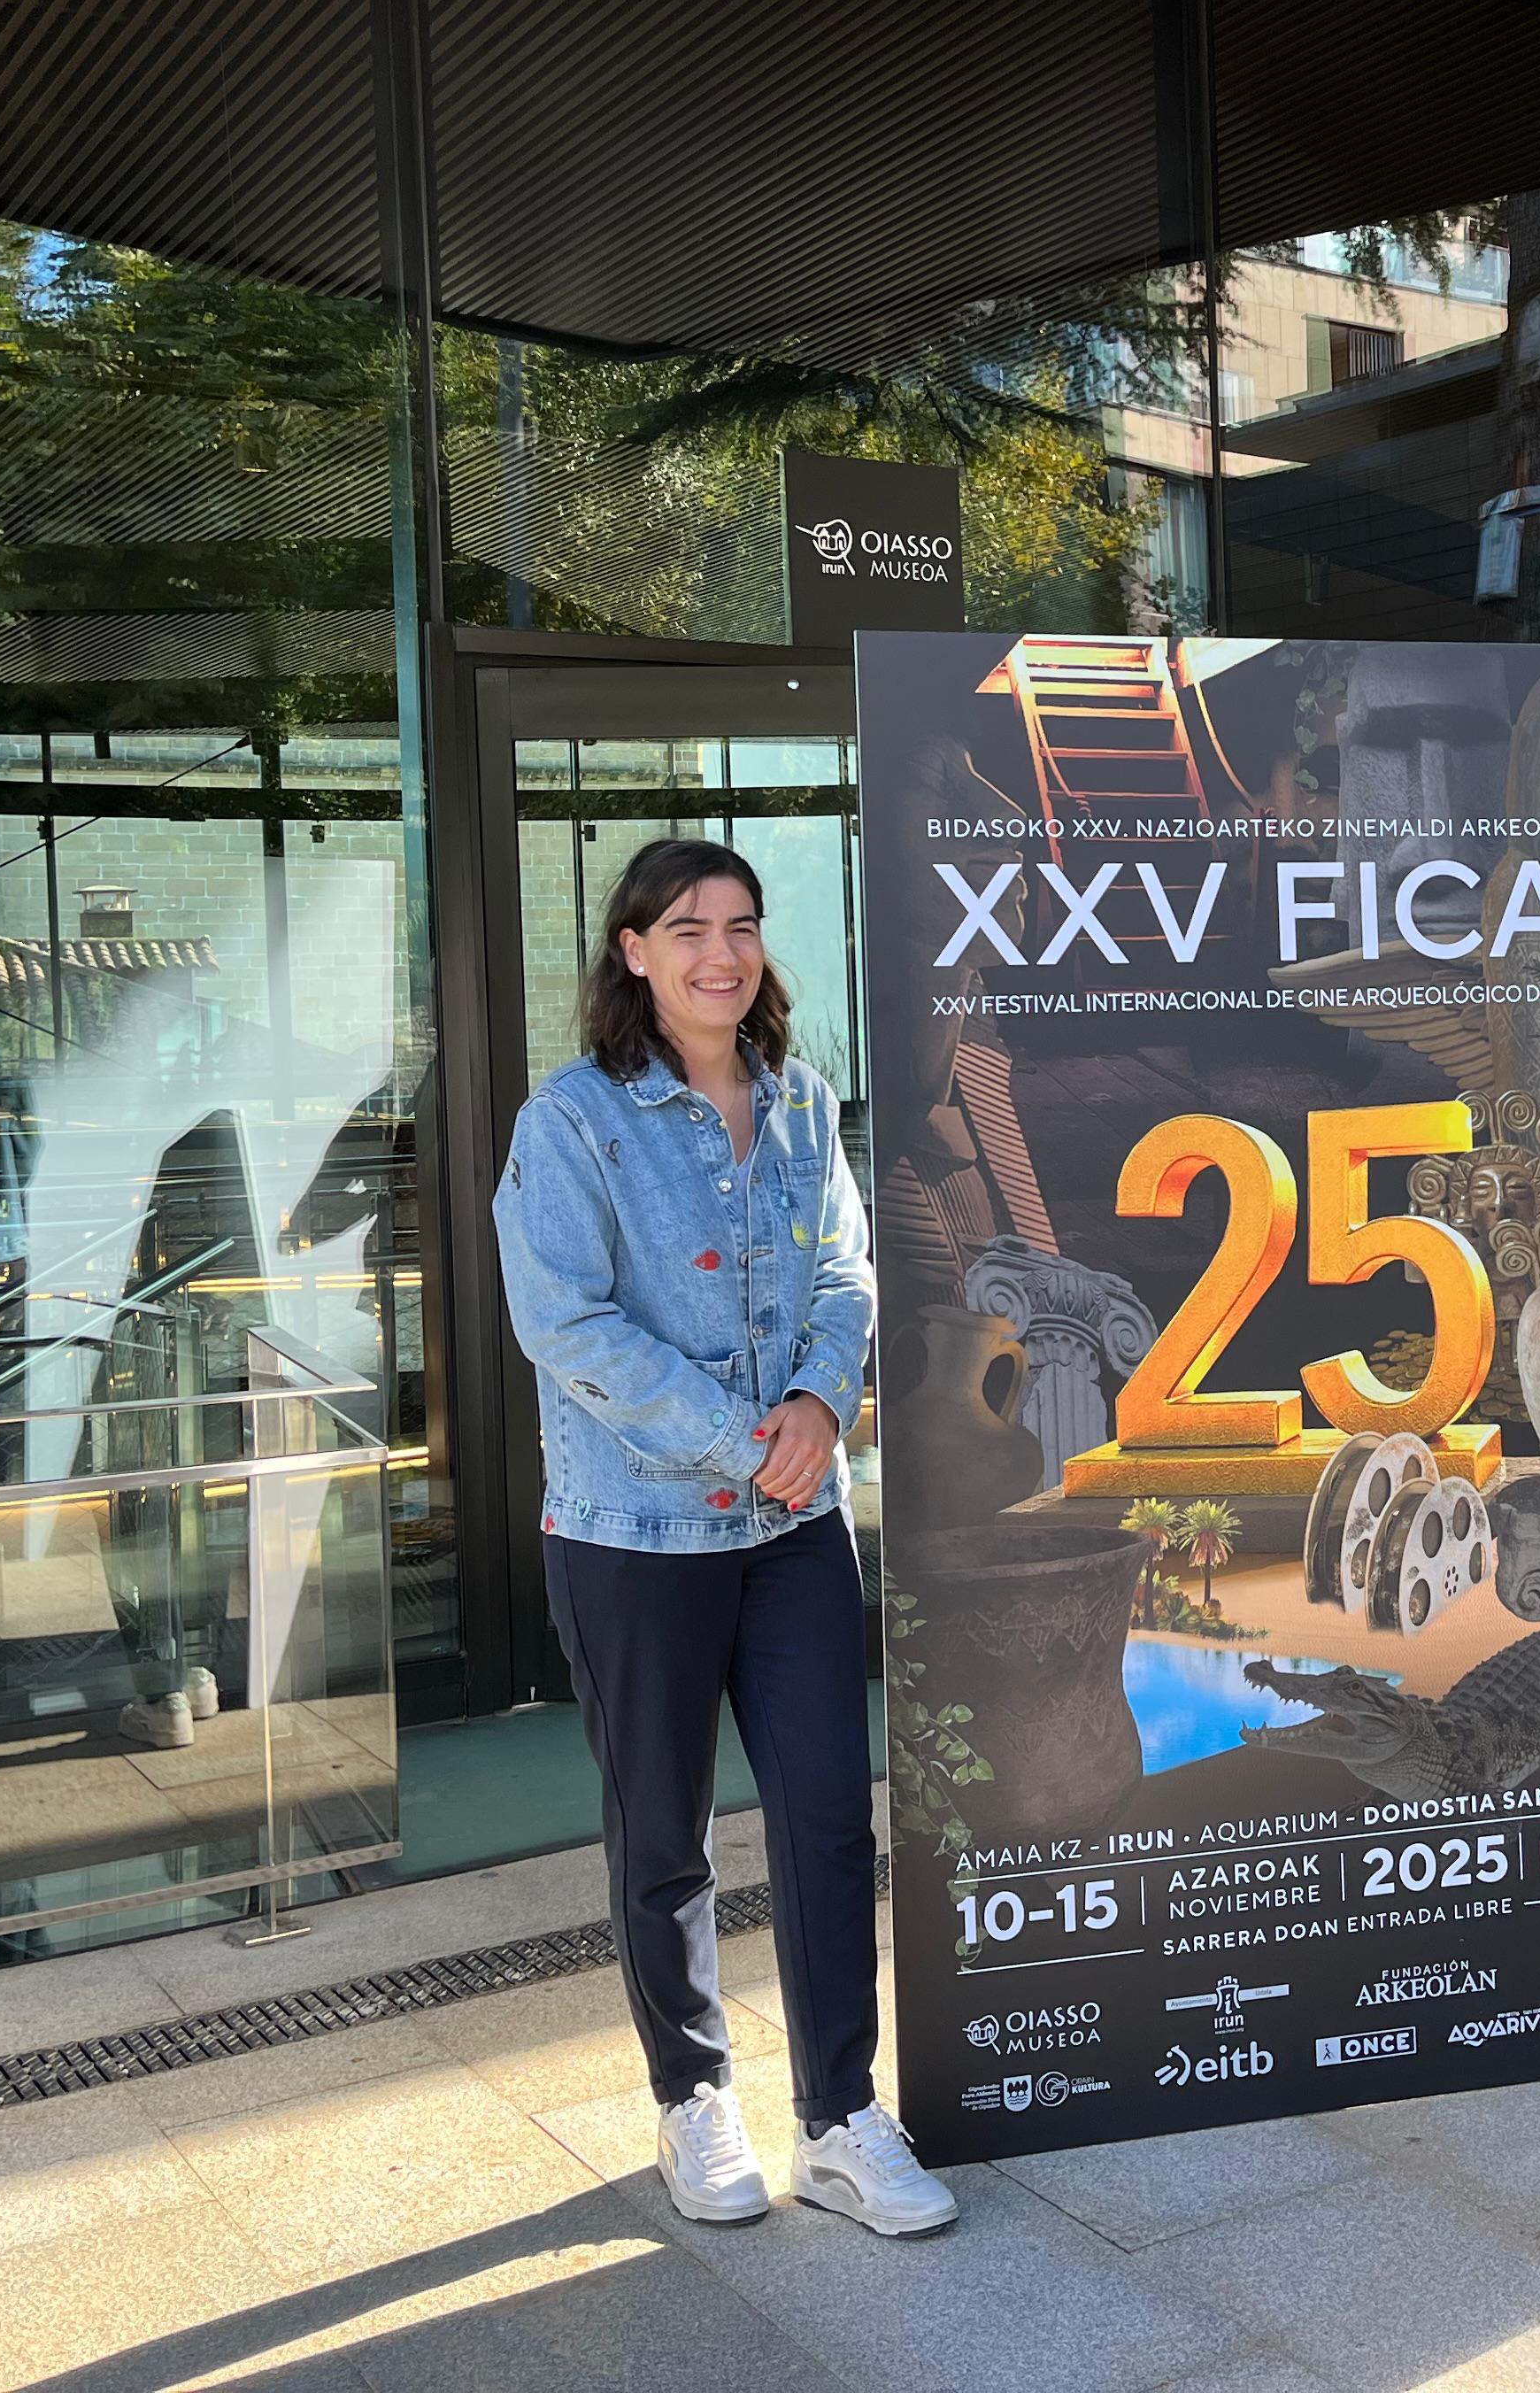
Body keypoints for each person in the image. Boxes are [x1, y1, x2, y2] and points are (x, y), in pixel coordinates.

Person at [494, 836, 955, 2238]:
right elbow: (564, 1322)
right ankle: (692, 2100)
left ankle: (840, 2118)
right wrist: (741, 1436)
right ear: (632, 951)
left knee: (827, 1816)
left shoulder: (804, 1102)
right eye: (687, 928)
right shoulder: (572, 1121)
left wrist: (820, 1397)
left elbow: (844, 1266)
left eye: (742, 925)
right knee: (664, 1830)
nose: (721, 952)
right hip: (635, 1531)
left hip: (796, 1528)